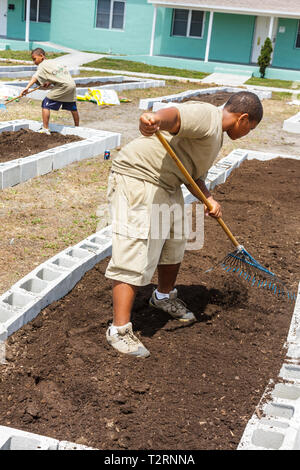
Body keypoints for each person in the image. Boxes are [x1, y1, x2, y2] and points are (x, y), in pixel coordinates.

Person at [105, 91, 263, 358]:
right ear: (244, 119)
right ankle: (119, 330)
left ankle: (163, 297)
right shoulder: (207, 116)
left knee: (176, 242)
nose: (248, 133)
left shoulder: (216, 138)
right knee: (136, 247)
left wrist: (209, 199)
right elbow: (176, 116)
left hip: (167, 184)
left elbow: (192, 173)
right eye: (252, 128)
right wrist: (154, 119)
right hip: (139, 178)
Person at [21, 48, 79, 135]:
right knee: (72, 106)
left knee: (46, 103)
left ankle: (45, 128)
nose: (34, 62)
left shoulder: (42, 65)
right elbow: (57, 74)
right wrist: (49, 82)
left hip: (63, 86)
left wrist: (27, 87)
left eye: (34, 59)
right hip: (71, 84)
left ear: (41, 56)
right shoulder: (53, 62)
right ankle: (77, 127)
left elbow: (35, 77)